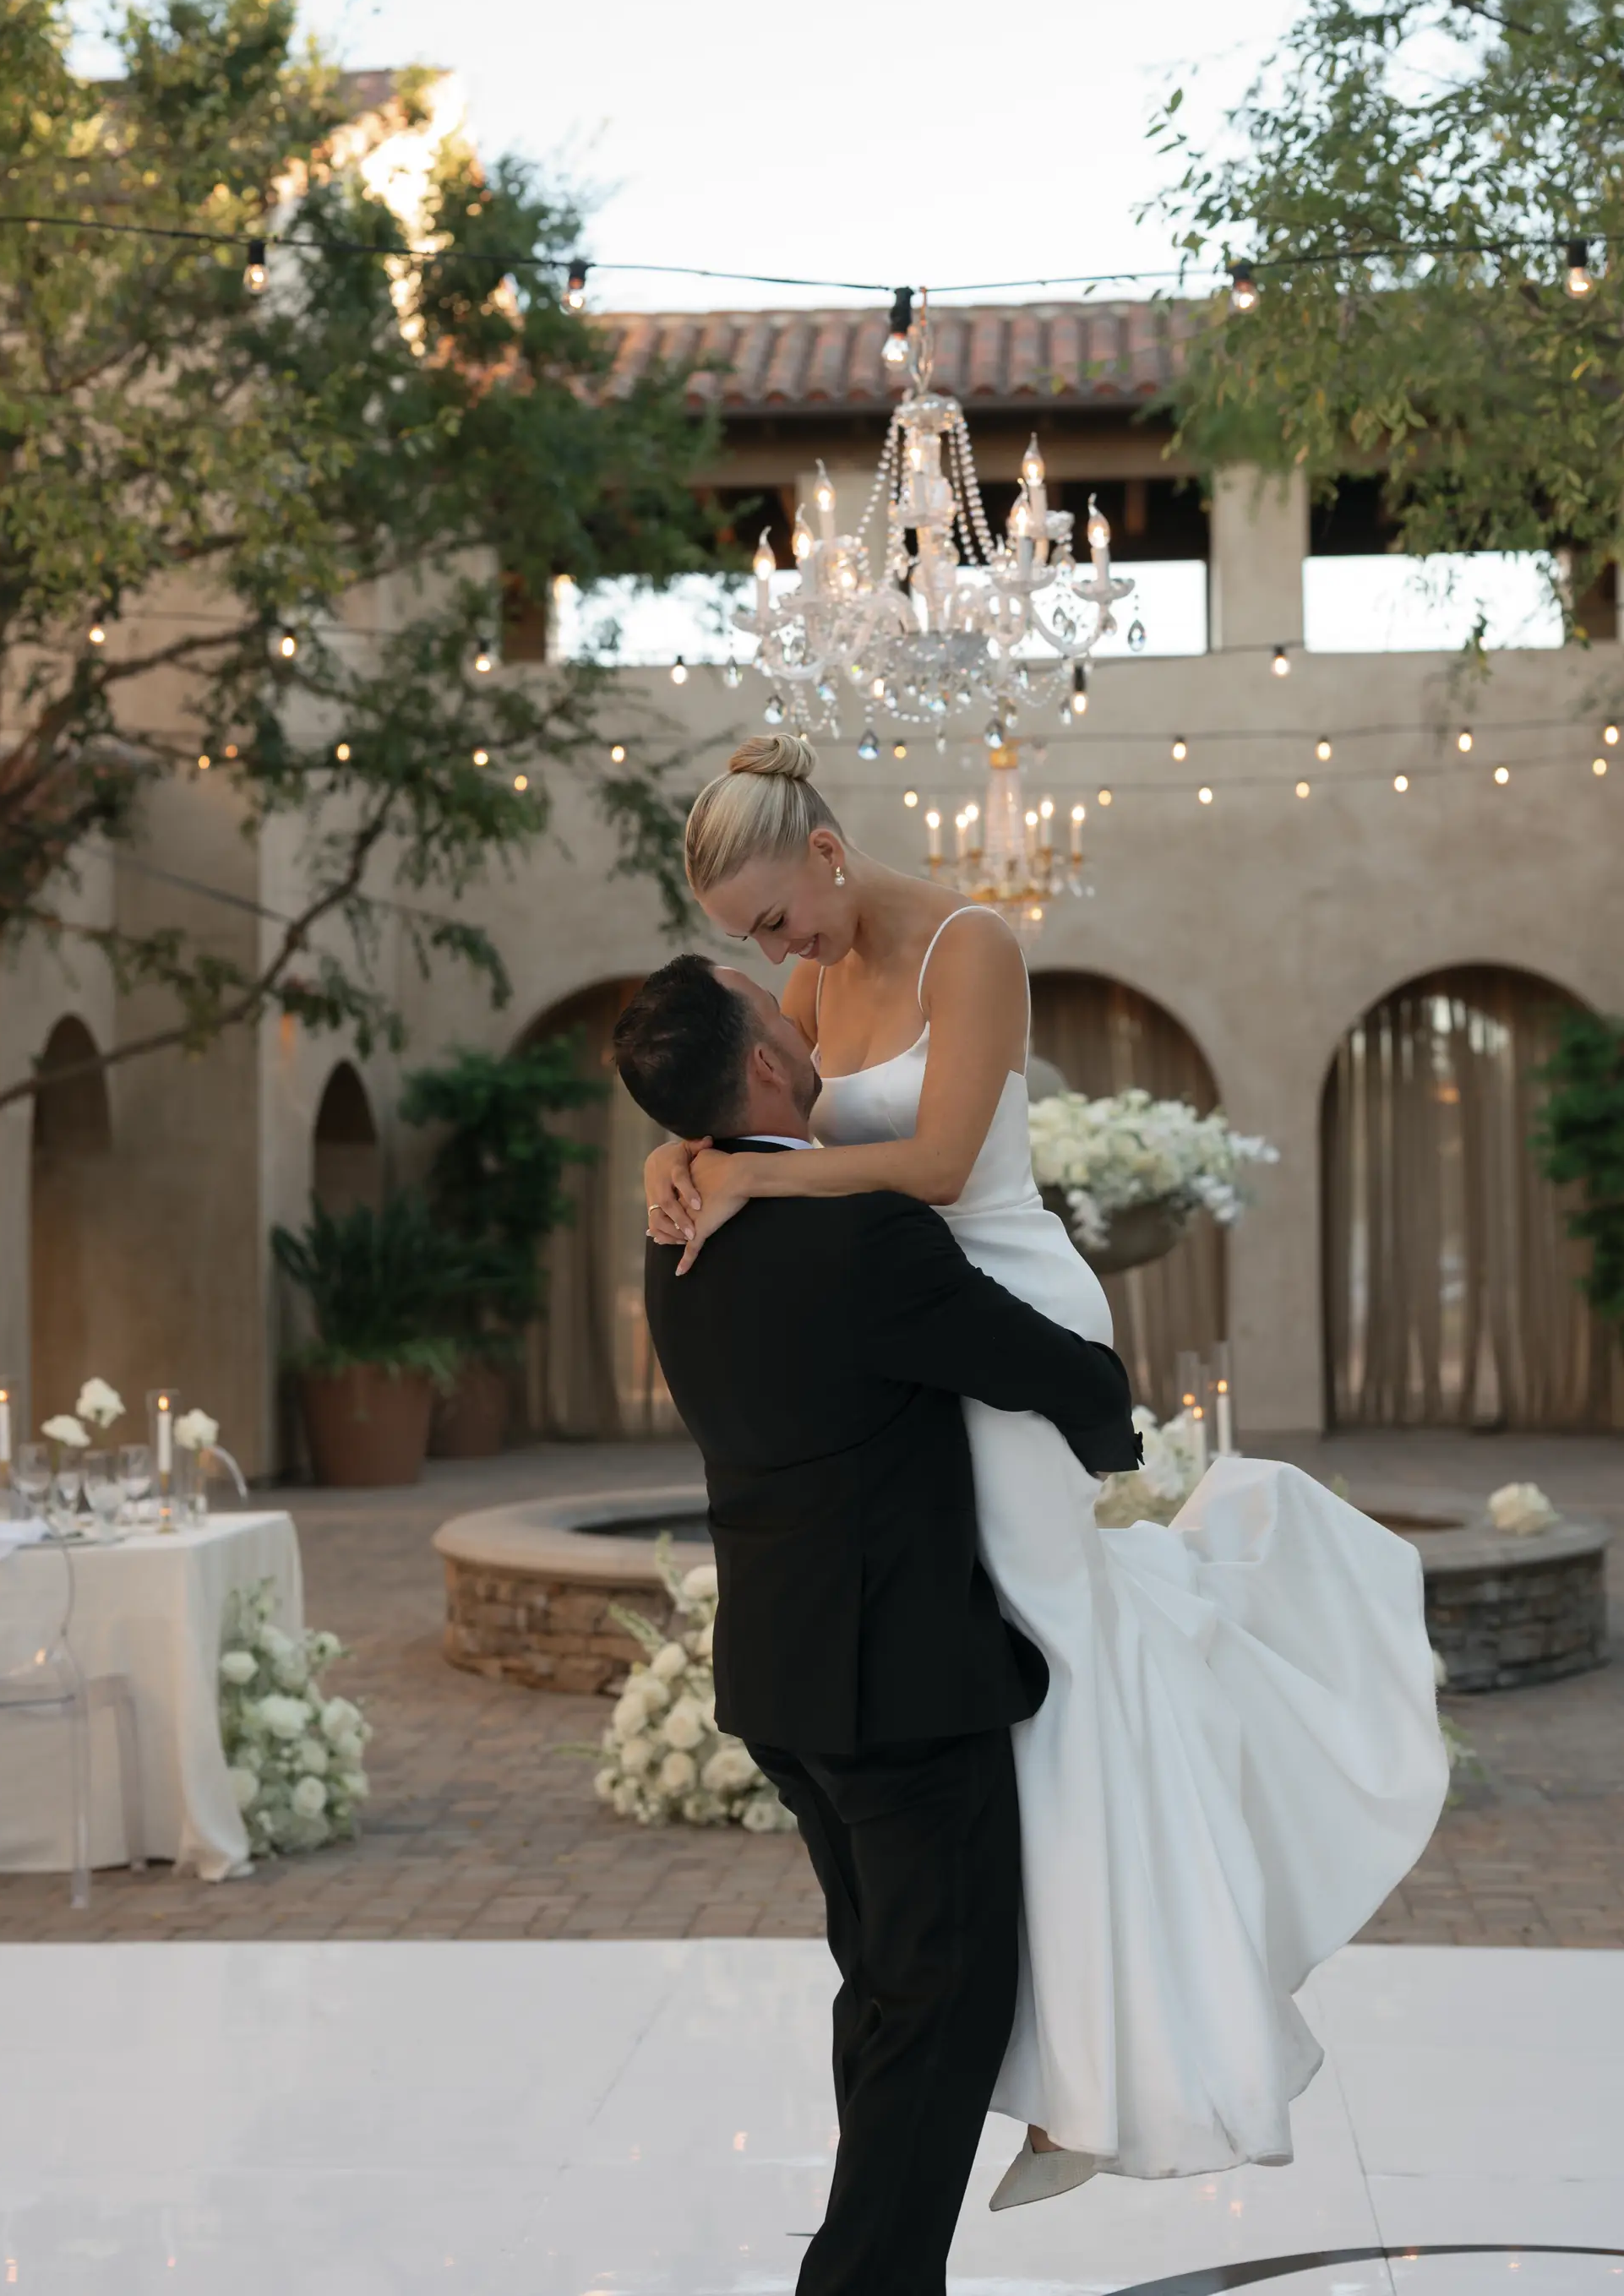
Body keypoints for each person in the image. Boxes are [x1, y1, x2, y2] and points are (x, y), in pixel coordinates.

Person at [643, 733, 1451, 2206]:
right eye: (752, 946)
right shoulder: (812, 979)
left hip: (1001, 1314)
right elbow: (772, 1109)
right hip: (909, 1333)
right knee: (993, 1679)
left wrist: (750, 1171)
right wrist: (686, 1155)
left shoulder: (973, 945)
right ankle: (1055, 2051)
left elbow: (941, 1167)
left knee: (1054, 1658)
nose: (775, 959)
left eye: (771, 923)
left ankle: (1096, 2059)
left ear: (823, 856)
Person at [612, 952, 1143, 2296]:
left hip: (789, 1683)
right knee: (937, 2010)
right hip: (898, 1689)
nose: (798, 1005)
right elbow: (1055, 1374)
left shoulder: (676, 1237)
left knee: (886, 1993)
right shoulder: (860, 1236)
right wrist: (1113, 1437)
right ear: (769, 1070)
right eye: (770, 1002)